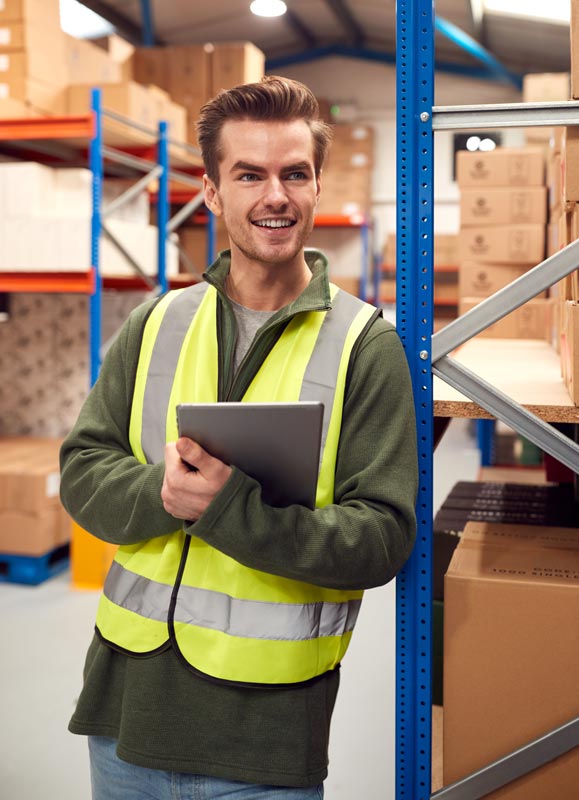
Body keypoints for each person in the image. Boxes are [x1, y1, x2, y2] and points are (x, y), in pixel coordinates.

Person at [60, 75, 418, 800]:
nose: (274, 196)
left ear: (317, 185)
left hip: (263, 744)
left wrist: (228, 508)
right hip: (123, 721)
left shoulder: (364, 346)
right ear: (214, 193)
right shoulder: (155, 324)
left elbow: (380, 539)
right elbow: (81, 472)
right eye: (248, 175)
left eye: (293, 174)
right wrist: (161, 489)